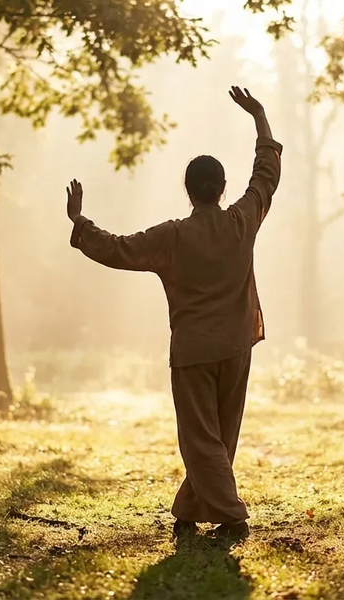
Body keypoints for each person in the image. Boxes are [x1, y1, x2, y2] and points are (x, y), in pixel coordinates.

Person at [65, 86, 282, 540]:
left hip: (193, 352)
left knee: (202, 439)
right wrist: (259, 116)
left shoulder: (172, 236)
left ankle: (232, 516)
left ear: (188, 191)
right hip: (237, 346)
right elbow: (266, 174)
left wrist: (79, 222)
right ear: (223, 189)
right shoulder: (243, 220)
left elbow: (118, 249)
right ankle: (188, 510)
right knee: (220, 437)